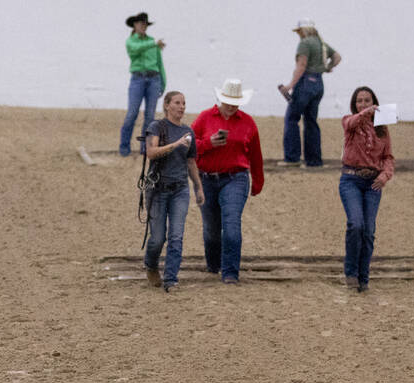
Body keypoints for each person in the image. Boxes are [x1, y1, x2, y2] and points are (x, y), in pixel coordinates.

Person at [190, 79, 264, 284]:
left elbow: (256, 155)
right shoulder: (205, 118)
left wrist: (258, 181)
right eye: (228, 101)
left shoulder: (248, 122)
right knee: (211, 229)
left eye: (236, 102)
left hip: (236, 178)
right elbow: (189, 145)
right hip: (206, 179)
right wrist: (208, 143)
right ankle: (214, 265)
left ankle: (231, 272)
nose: (232, 106)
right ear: (221, 99)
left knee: (231, 225)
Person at [143, 91, 204, 290]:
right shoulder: (156, 127)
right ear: (167, 105)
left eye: (184, 103)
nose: (182, 107)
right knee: (158, 238)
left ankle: (171, 279)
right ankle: (151, 265)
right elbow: (151, 153)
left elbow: (191, 161)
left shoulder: (188, 132)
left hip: (180, 190)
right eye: (177, 103)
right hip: (158, 189)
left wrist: (198, 187)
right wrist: (175, 144)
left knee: (176, 236)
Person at [339, 86, 395, 292]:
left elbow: (388, 156)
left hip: (373, 183)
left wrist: (385, 175)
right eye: (359, 101)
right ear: (354, 104)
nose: (363, 104)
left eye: (367, 100)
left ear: (374, 101)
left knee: (369, 231)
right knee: (356, 224)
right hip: (351, 180)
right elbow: (353, 121)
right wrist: (366, 113)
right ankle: (351, 273)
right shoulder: (349, 122)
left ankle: (364, 277)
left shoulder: (382, 128)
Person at [278, 18, 340, 167]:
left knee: (292, 118)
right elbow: (337, 57)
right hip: (318, 84)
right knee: (311, 121)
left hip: (305, 84)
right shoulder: (321, 44)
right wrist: (327, 68)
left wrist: (290, 85)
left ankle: (292, 158)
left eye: (299, 31)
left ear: (303, 30)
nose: (298, 34)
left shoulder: (305, 44)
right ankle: (314, 160)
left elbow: (302, 65)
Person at [118, 12, 165, 157]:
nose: (143, 26)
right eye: (140, 23)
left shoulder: (151, 41)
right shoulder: (131, 41)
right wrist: (153, 44)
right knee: (132, 113)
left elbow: (159, 64)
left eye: (145, 23)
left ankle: (145, 148)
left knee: (150, 116)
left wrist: (163, 82)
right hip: (138, 79)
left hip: (153, 79)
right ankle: (124, 148)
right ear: (135, 25)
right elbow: (136, 49)